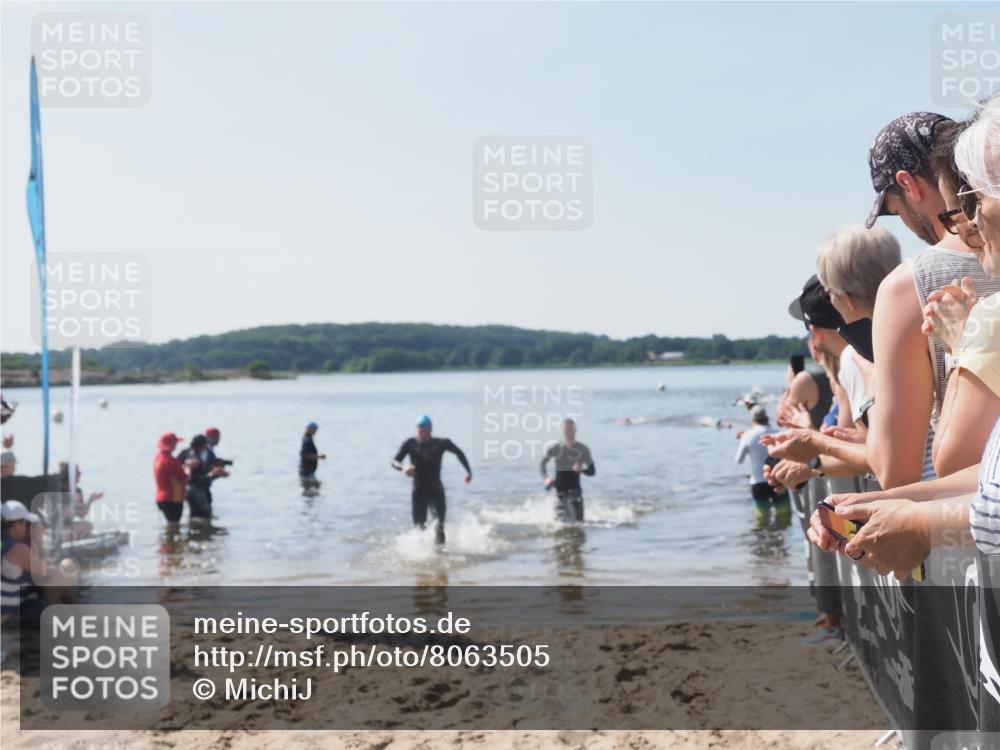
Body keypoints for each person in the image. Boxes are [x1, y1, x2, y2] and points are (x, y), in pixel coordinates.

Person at [863, 111, 1000, 488]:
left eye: (894, 210)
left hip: (967, 536)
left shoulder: (908, 287)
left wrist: (871, 383)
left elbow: (895, 472)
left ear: (907, 185)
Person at [391, 415, 472, 546]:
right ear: (417, 430)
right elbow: (394, 461)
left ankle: (441, 556)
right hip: (418, 492)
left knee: (439, 526)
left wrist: (468, 471)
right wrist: (403, 467)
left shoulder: (440, 443)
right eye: (420, 431)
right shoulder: (410, 444)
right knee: (419, 527)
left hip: (436, 491)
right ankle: (421, 555)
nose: (422, 434)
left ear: (430, 430)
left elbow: (459, 452)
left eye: (425, 431)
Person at [735, 406, 789, 525]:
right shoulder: (777, 433)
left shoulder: (748, 435)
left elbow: (739, 460)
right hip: (778, 479)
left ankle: (763, 540)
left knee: (761, 518)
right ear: (766, 417)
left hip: (758, 482)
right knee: (784, 517)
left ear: (753, 419)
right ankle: (780, 541)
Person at [540, 417, 596, 522]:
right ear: (562, 431)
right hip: (559, 490)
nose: (569, 433)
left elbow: (592, 471)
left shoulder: (583, 449)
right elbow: (542, 464)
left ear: (575, 430)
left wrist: (582, 470)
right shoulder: (556, 448)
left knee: (579, 523)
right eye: (566, 430)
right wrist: (546, 479)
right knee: (560, 524)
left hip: (575, 490)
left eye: (571, 430)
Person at [179, 435, 221, 520]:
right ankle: (196, 527)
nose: (197, 449)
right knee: (196, 511)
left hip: (205, 486)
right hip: (191, 487)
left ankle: (204, 530)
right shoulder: (185, 453)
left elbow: (213, 468)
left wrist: (216, 473)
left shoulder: (209, 454)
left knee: (206, 511)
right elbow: (177, 467)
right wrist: (186, 465)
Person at [153, 432, 187, 525]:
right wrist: (189, 468)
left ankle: (167, 539)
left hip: (160, 498)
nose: (176, 446)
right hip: (173, 499)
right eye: (175, 443)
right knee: (175, 526)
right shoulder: (172, 461)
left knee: (170, 526)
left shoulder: (158, 458)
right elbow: (184, 478)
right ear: (172, 444)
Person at [202, 427, 231, 506]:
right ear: (210, 437)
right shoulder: (205, 450)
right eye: (217, 437)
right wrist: (218, 469)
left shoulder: (207, 449)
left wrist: (221, 462)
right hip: (201, 487)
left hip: (203, 486)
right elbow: (205, 467)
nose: (218, 439)